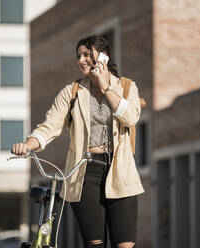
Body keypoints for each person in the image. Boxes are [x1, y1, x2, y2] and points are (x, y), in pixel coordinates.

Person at [11, 35, 144, 248]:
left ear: (103, 57)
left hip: (121, 172)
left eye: (86, 55)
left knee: (125, 245)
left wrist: (105, 87)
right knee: (94, 244)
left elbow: (131, 117)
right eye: (78, 56)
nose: (80, 60)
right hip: (84, 173)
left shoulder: (127, 87)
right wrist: (28, 144)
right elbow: (50, 126)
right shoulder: (71, 92)